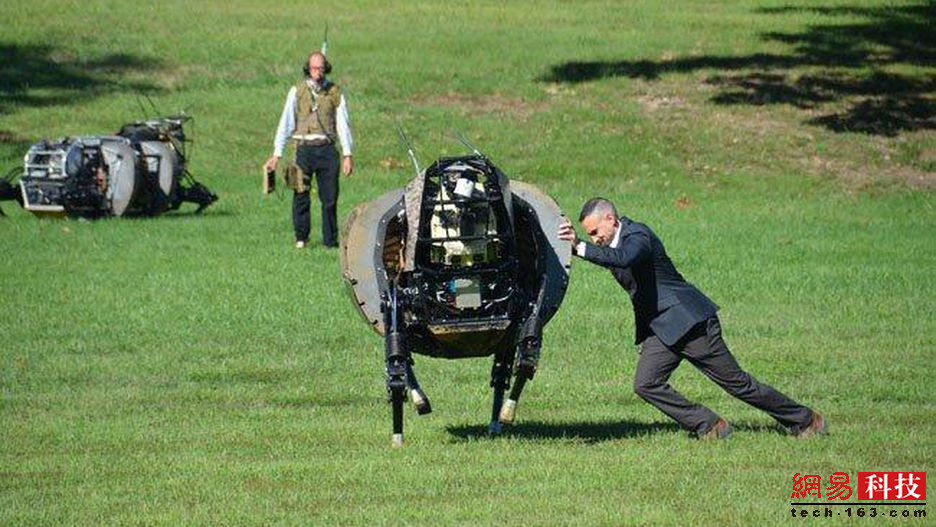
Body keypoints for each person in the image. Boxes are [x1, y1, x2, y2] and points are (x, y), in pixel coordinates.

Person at [558, 197, 826, 440]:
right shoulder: (612, 245)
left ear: (610, 218)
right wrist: (564, 239)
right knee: (646, 384)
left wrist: (579, 246)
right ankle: (709, 425)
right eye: (589, 234)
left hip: (689, 323)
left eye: (595, 232)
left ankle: (806, 420)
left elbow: (624, 258)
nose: (594, 238)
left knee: (738, 385)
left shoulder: (638, 234)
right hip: (662, 329)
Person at [264, 51, 353, 249]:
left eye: (320, 68)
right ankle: (301, 238)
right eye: (314, 68)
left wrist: (347, 154)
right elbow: (286, 123)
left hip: (327, 149)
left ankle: (330, 240)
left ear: (325, 69)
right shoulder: (296, 91)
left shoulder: (335, 93)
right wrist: (277, 154)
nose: (317, 72)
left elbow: (343, 124)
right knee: (300, 194)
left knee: (329, 198)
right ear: (308, 69)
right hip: (303, 149)